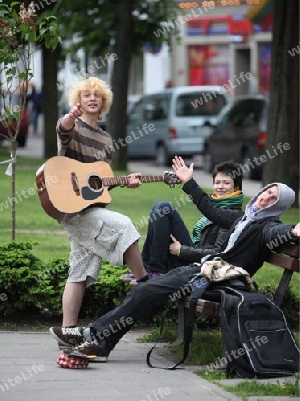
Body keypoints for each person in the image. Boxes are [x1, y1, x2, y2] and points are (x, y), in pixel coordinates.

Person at [50, 155, 300, 358]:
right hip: (203, 271)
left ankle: (93, 337)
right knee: (143, 291)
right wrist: (188, 182)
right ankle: (98, 340)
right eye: (267, 191)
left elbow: (277, 233)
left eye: (273, 198)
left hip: (218, 281)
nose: (265, 197)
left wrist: (291, 231)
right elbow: (210, 209)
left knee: (144, 291)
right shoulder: (242, 218)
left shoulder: (266, 227)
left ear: (278, 206)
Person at [53, 76, 149, 336]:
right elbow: (63, 130)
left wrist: (124, 182)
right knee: (125, 226)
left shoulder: (106, 140)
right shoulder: (72, 126)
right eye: (86, 95)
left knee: (80, 272)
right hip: (72, 210)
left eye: (97, 95)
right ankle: (144, 282)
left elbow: (97, 184)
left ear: (103, 101)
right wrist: (70, 118)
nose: (92, 98)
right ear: (78, 101)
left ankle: (68, 332)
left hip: (90, 206)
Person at [120, 160, 244, 285]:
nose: (220, 187)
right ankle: (146, 270)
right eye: (217, 182)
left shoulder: (232, 215)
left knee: (163, 208)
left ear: (237, 187)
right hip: (194, 253)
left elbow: (217, 254)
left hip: (201, 264)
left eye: (226, 183)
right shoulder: (216, 206)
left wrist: (181, 250)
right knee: (160, 209)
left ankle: (156, 271)